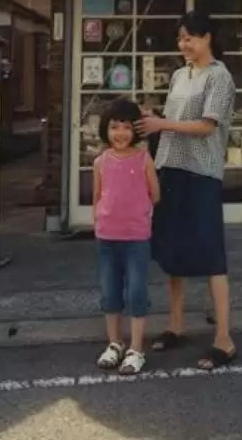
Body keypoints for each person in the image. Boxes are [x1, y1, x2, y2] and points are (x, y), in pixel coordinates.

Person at [136, 10, 237, 370]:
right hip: (170, 168)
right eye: (180, 38)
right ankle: (175, 324)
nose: (184, 45)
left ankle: (224, 339)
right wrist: (155, 117)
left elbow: (207, 127)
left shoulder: (220, 77)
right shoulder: (180, 75)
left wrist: (162, 122)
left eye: (190, 38)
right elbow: (175, 119)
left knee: (211, 253)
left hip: (202, 172)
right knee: (172, 250)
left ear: (207, 37)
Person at [93, 97, 161, 375]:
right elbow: (96, 197)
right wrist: (97, 223)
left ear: (135, 130)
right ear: (105, 131)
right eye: (113, 128)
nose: (119, 134)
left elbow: (155, 194)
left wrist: (139, 212)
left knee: (136, 291)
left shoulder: (144, 159)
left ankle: (136, 348)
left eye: (125, 127)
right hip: (106, 237)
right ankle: (114, 343)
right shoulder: (100, 161)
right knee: (110, 291)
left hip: (136, 237)